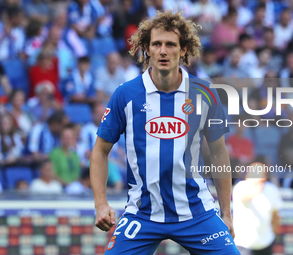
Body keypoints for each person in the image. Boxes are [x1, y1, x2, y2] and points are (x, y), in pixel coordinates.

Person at [90, 11, 240, 255]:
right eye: (156, 44)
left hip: (197, 212)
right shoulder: (126, 94)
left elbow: (219, 154)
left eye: (170, 44)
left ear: (183, 50)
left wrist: (226, 212)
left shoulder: (205, 94)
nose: (162, 51)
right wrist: (100, 203)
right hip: (142, 213)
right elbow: (100, 151)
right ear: (146, 49)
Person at [233, 163, 283, 255]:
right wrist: (257, 190)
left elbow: (276, 215)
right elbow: (244, 199)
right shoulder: (240, 187)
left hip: (266, 242)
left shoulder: (272, 189)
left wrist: (274, 234)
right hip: (244, 244)